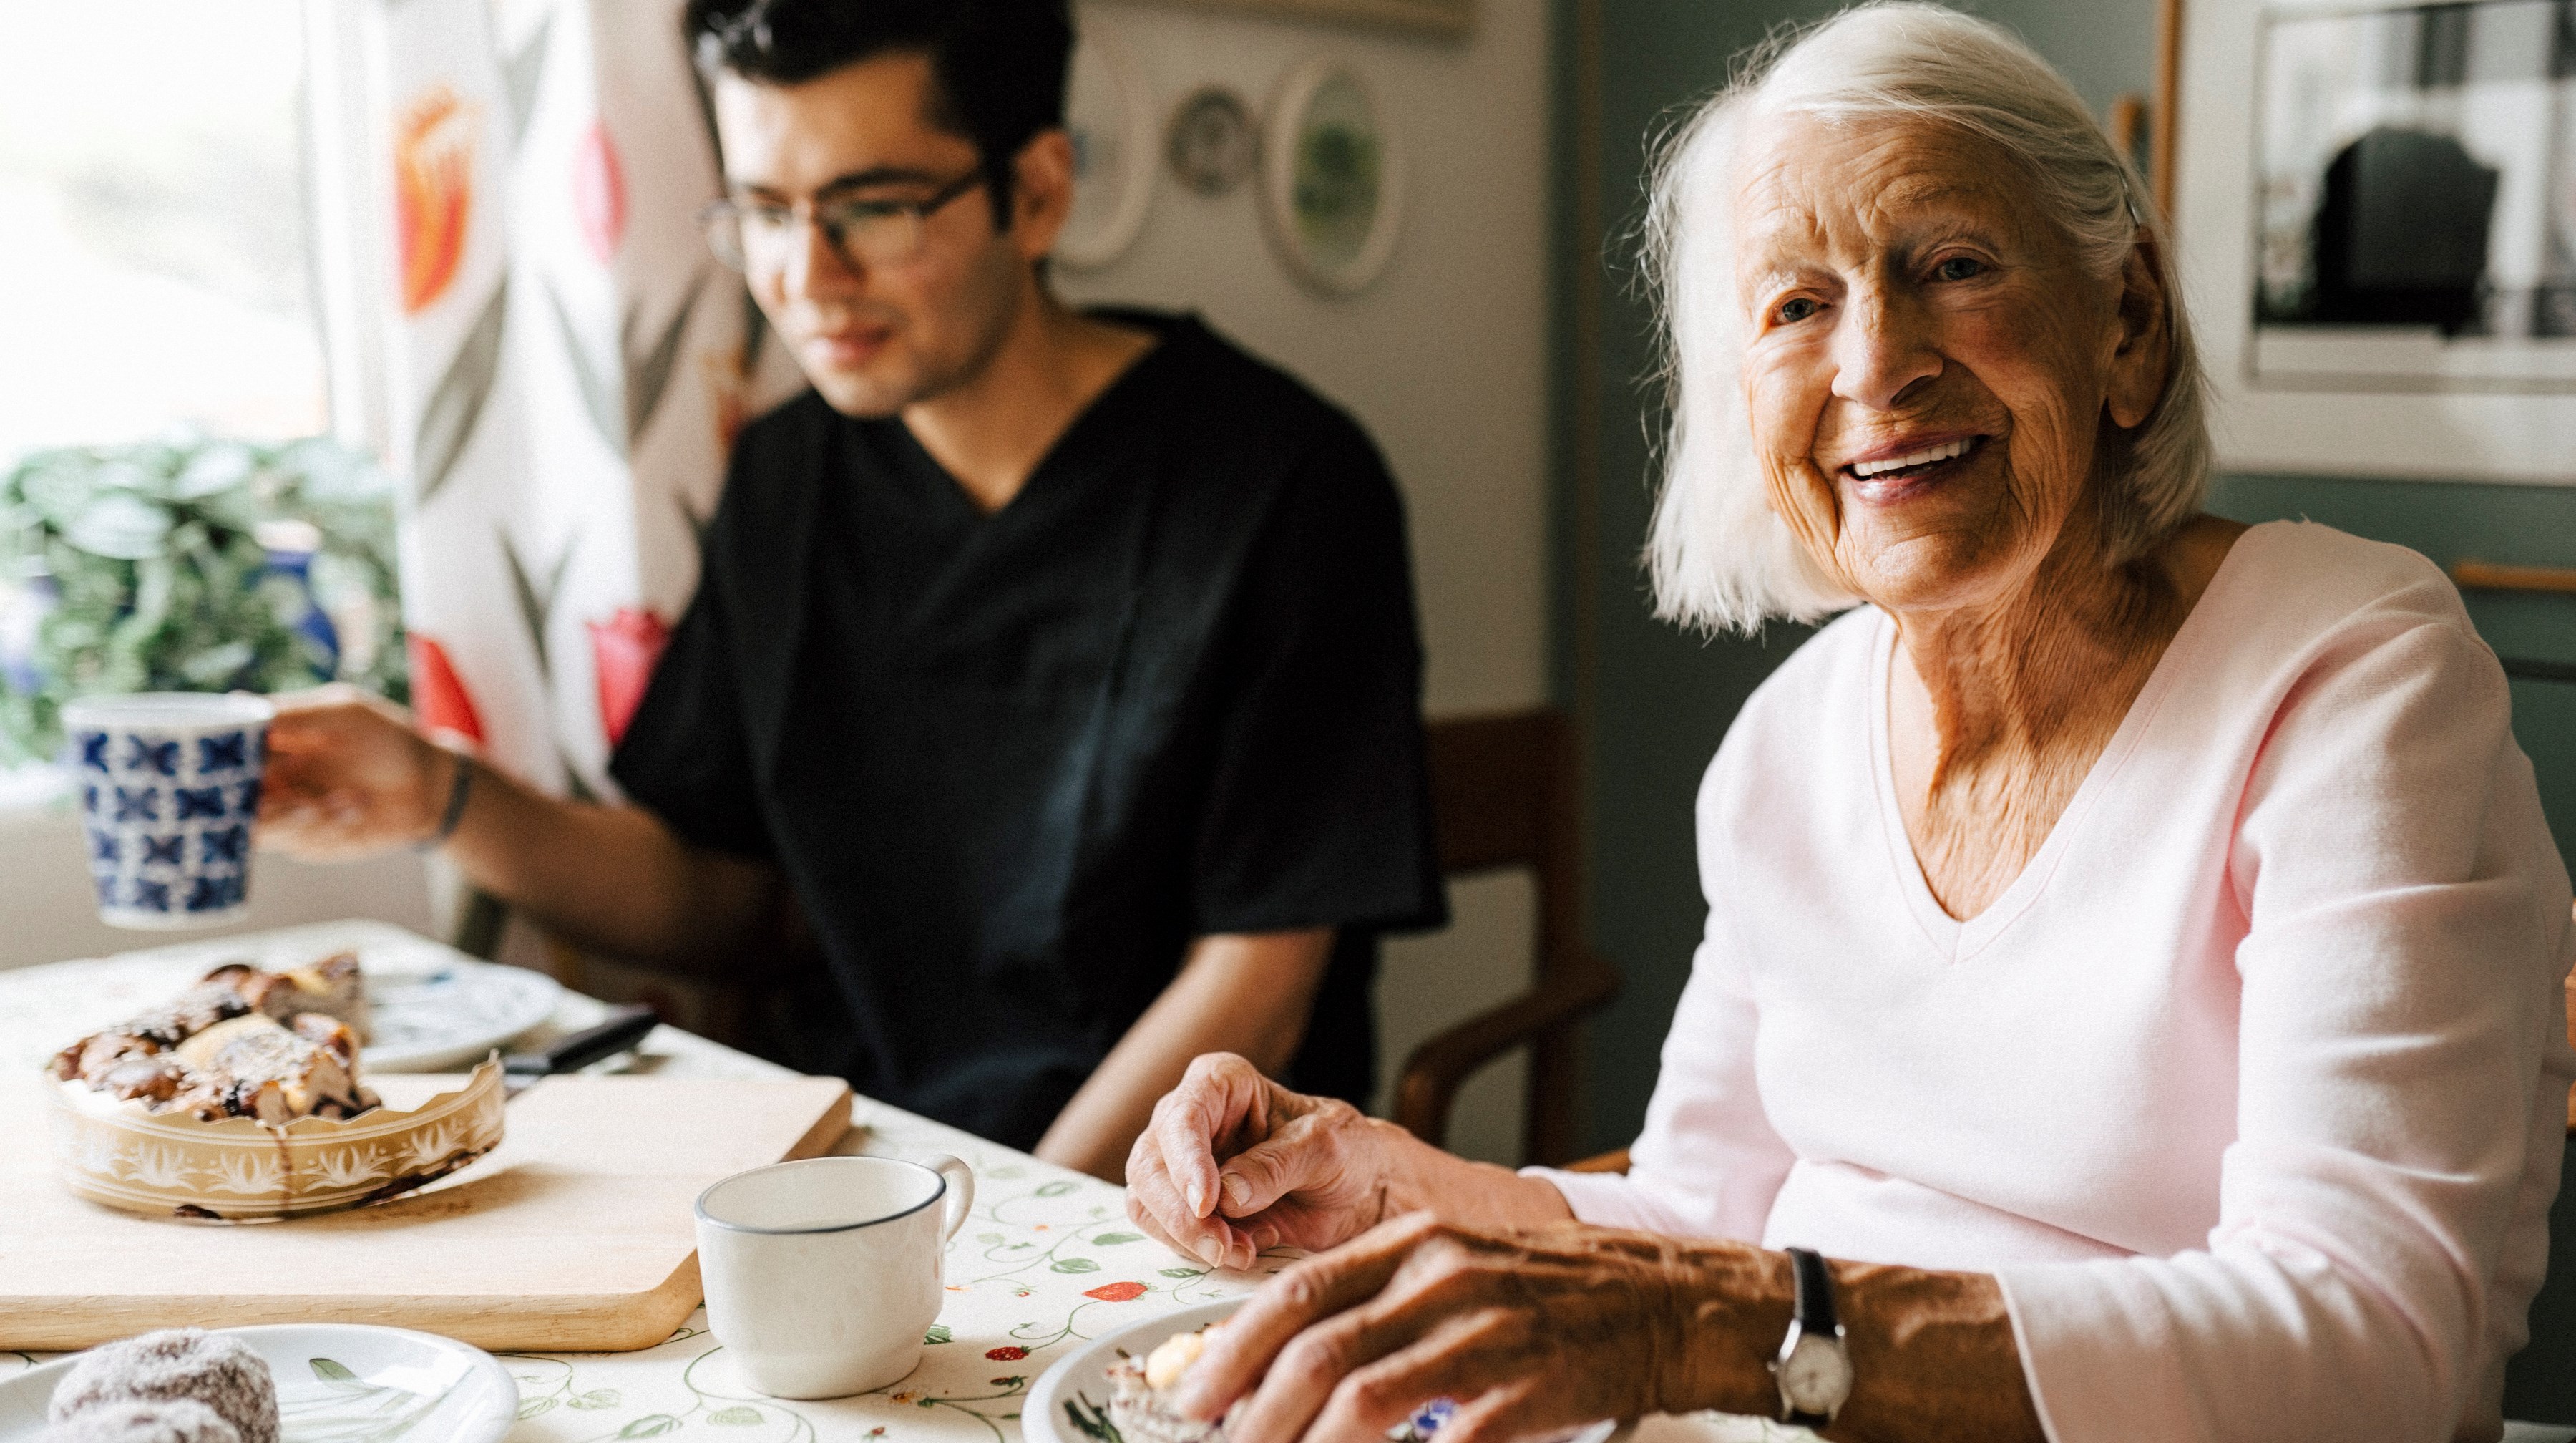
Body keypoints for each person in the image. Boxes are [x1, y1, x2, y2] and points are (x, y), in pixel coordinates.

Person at [1123, 7, 2575, 1442]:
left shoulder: (2354, 683)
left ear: (2126, 322)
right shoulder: (1788, 743)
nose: (1874, 364)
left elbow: (2372, 1348)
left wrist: (1718, 1328)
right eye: (1797, 305)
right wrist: (1390, 1188)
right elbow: (1702, 1218)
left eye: (1950, 266)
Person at [257, 0, 1444, 1179]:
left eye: (873, 209)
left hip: (1193, 1206)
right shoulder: (788, 478)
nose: (807, 277)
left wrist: (990, 1230)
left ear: (1035, 194)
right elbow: (717, 896)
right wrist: (437, 792)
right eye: (767, 212)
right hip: (865, 1180)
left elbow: (1259, 987)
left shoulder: (1283, 483)